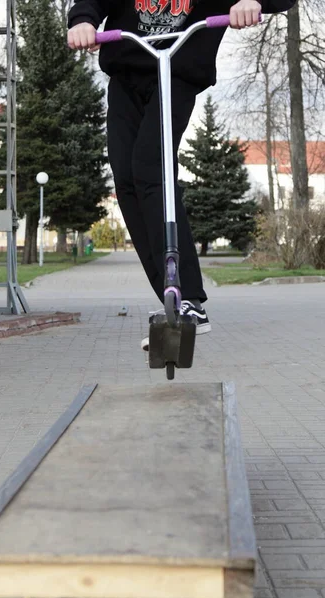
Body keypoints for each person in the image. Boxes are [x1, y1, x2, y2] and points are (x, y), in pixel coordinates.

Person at [67, 0, 295, 350]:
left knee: (150, 169)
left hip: (177, 74)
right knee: (126, 181)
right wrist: (83, 21)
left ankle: (191, 299)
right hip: (126, 73)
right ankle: (171, 297)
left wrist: (254, 1)